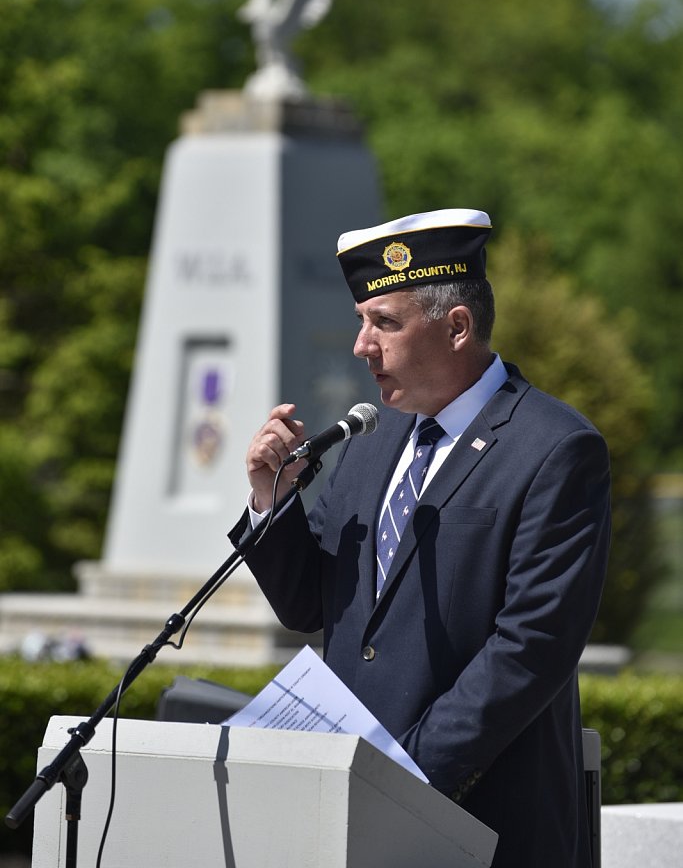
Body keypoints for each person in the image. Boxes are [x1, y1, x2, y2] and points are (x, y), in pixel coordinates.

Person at [231, 208, 611, 868]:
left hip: (482, 817)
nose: (361, 345)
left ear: (456, 327)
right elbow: (312, 608)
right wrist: (273, 499)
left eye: (383, 322)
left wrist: (402, 773)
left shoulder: (554, 448)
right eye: (360, 322)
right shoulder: (371, 444)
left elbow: (531, 647)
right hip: (356, 809)